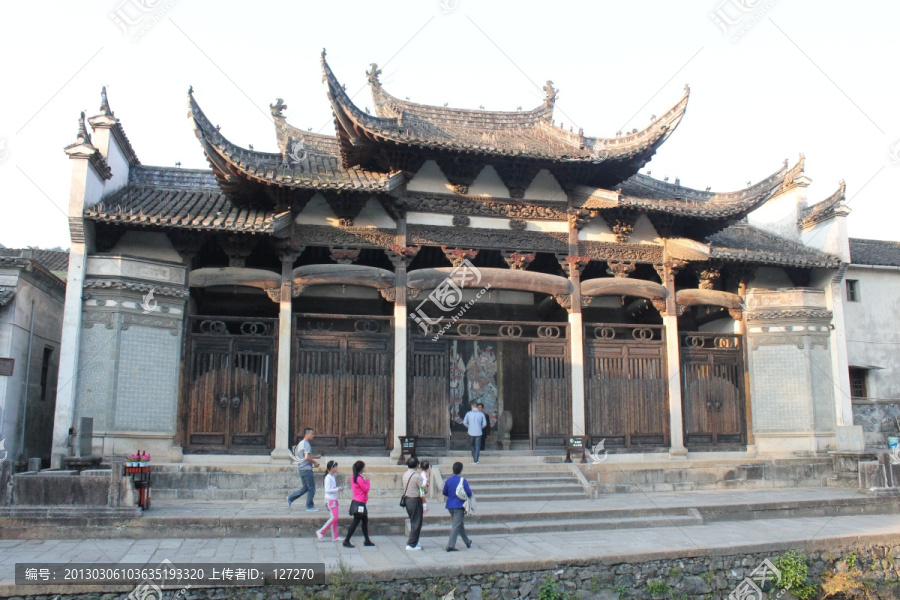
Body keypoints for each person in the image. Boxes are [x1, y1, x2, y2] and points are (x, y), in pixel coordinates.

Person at [442, 461, 473, 552]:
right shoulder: (462, 480)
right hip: (459, 505)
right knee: (456, 525)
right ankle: (450, 545)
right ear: (461, 470)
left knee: (459, 524)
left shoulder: (448, 480)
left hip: (450, 505)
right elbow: (469, 493)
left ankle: (467, 541)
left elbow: (444, 492)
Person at [343, 461, 375, 548]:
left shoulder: (354, 477)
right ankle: (346, 540)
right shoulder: (359, 479)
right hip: (359, 503)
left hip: (357, 502)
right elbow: (366, 489)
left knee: (365, 521)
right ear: (361, 468)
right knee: (356, 522)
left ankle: (367, 540)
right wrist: (367, 481)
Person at [288, 428, 320, 511]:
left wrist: (315, 456)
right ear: (307, 434)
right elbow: (306, 458)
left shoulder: (301, 443)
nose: (313, 436)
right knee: (311, 488)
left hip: (301, 468)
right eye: (312, 434)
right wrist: (315, 462)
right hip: (306, 469)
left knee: (306, 487)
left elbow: (303, 456)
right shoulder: (306, 444)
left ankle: (290, 498)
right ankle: (309, 506)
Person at [316, 460, 343, 542]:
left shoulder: (332, 477)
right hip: (330, 500)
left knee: (335, 518)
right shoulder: (328, 478)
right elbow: (327, 490)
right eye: (336, 467)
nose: (337, 468)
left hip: (333, 499)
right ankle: (321, 531)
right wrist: (337, 489)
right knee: (334, 517)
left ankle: (335, 536)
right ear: (331, 468)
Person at [402, 457, 424, 551]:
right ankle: (411, 544)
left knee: (413, 520)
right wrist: (426, 488)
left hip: (407, 500)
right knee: (417, 522)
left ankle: (415, 540)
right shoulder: (417, 476)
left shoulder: (405, 474)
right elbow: (422, 489)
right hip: (415, 500)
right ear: (416, 465)